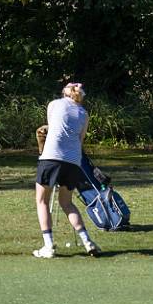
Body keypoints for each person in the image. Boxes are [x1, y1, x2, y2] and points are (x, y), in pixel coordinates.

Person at [34, 82, 100, 258]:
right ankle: (88, 242)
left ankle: (48, 246)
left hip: (51, 157)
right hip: (73, 161)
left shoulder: (54, 104)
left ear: (65, 92)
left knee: (42, 201)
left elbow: (51, 127)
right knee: (67, 203)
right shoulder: (84, 114)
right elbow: (80, 139)